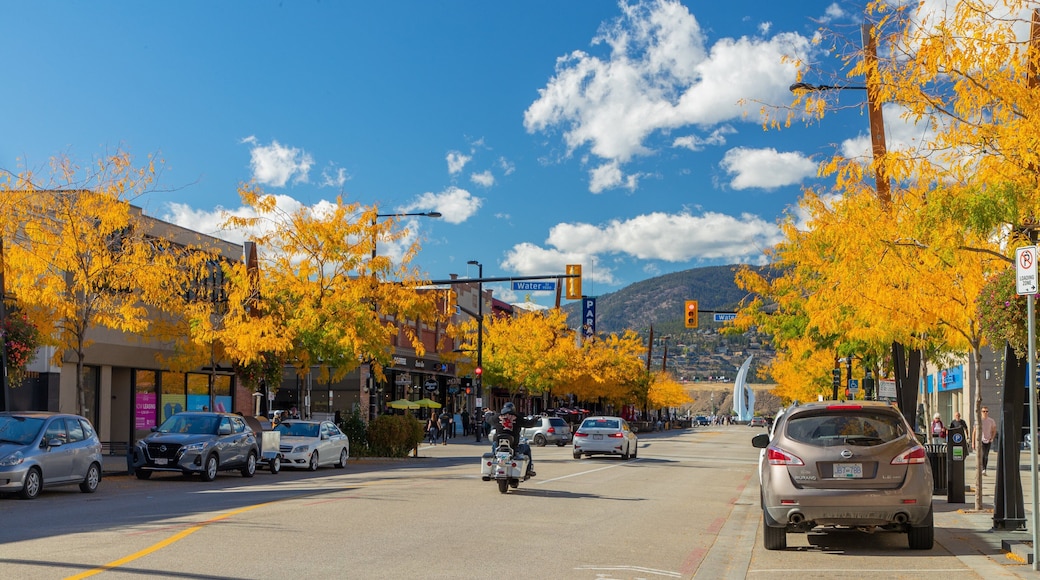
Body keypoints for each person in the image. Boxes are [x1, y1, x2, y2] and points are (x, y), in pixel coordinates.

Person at [490, 402, 540, 477]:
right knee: (527, 448)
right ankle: (528, 470)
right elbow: (529, 424)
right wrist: (535, 419)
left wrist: (488, 413)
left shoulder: (497, 417)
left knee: (494, 444)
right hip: (514, 447)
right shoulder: (517, 417)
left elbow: (488, 419)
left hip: (498, 447)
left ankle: (493, 462)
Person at [974, 407, 998, 475]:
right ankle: (981, 468)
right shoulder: (978, 420)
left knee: (986, 455)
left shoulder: (991, 421)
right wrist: (973, 442)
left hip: (988, 440)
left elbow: (994, 430)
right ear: (981, 412)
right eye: (983, 411)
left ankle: (984, 469)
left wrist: (992, 438)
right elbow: (974, 432)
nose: (985, 413)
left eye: (986, 411)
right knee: (982, 454)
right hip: (980, 440)